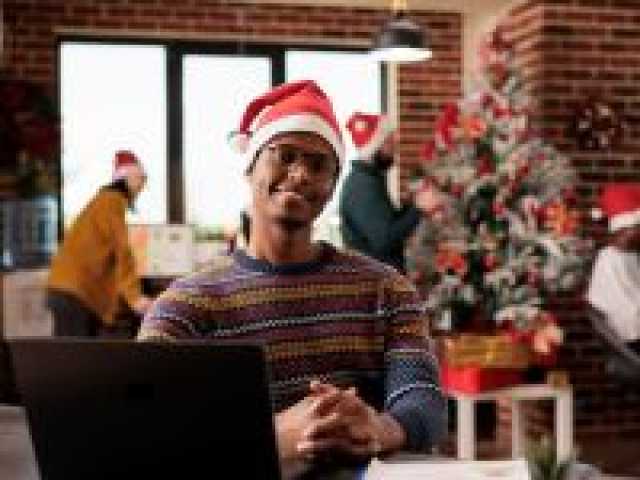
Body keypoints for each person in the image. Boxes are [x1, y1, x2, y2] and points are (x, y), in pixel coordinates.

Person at [138, 80, 445, 479]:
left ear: (331, 188)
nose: (300, 174)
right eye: (284, 156)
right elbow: (145, 423)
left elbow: (423, 400)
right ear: (250, 166)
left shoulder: (387, 290)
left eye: (318, 166)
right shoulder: (185, 306)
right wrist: (277, 436)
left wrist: (378, 428)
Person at [47, 150, 153, 337]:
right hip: (75, 291)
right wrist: (135, 297)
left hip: (66, 287)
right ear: (127, 178)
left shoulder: (103, 200)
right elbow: (121, 250)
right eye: (141, 178)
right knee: (74, 353)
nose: (142, 185)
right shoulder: (112, 201)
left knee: (70, 351)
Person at [339, 112, 438, 273]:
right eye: (390, 143)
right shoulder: (363, 187)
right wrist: (418, 208)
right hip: (372, 281)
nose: (394, 150)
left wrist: (410, 205)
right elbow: (384, 240)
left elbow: (386, 225)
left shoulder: (369, 179)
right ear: (375, 146)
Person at [587, 183, 640, 379]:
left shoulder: (634, 256)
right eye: (637, 228)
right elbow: (599, 309)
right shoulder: (607, 259)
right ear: (624, 229)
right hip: (627, 345)